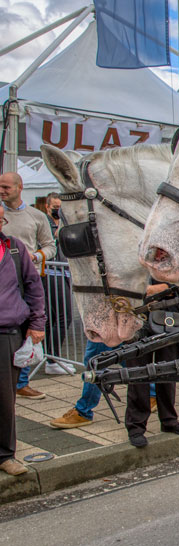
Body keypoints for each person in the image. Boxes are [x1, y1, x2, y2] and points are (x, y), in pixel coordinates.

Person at [1, 172, 55, 399]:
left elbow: (50, 246)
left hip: (26, 277)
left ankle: (20, 381)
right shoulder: (2, 211)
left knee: (26, 331)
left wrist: (35, 257)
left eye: (6, 187)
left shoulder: (37, 216)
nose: (2, 191)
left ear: (19, 187)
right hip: (6, 282)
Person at [1, 206, 46, 475]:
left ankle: (5, 455)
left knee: (5, 399)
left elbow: (34, 287)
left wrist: (37, 324)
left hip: (7, 333)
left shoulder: (14, 248)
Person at [123, 282, 179, 448]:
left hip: (170, 315)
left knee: (169, 372)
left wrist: (167, 286)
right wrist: (142, 289)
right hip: (137, 316)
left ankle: (169, 420)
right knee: (138, 376)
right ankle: (136, 427)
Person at [48, 340, 120, 429]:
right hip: (108, 329)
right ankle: (83, 411)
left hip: (104, 330)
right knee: (129, 357)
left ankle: (83, 411)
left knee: (95, 363)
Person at [40, 192, 73, 375]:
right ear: (47, 206)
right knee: (62, 317)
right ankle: (52, 359)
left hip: (65, 272)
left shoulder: (65, 223)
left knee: (54, 318)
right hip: (51, 273)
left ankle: (51, 357)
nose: (58, 212)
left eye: (61, 208)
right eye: (55, 208)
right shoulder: (44, 223)